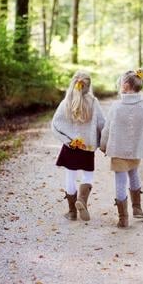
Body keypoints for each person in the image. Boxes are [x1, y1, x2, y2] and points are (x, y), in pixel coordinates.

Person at [100, 69, 143, 228]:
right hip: (135, 149)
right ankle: (137, 208)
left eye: (120, 83)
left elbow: (107, 129)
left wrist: (103, 146)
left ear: (125, 86)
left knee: (120, 181)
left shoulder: (116, 106)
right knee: (133, 173)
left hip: (118, 149)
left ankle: (123, 218)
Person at [51, 71, 105, 221]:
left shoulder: (66, 102)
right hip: (87, 147)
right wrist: (103, 143)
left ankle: (72, 211)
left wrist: (67, 140)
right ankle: (82, 200)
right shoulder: (93, 102)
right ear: (89, 86)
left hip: (71, 147)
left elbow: (55, 124)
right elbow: (102, 125)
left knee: (70, 177)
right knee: (88, 175)